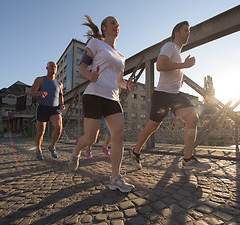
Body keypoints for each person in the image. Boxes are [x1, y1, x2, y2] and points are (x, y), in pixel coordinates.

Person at [130, 21, 210, 171]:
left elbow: (170, 69)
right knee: (153, 126)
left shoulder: (178, 52)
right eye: (186, 30)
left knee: (193, 117)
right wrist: (184, 66)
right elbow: (160, 65)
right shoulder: (169, 46)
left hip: (174, 95)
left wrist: (179, 78)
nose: (188, 33)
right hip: (162, 95)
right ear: (177, 32)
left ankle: (187, 160)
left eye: (189, 31)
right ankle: (135, 152)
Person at [68, 15, 135, 193]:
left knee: (118, 136)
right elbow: (81, 66)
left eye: (118, 24)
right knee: (91, 138)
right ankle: (76, 151)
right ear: (104, 27)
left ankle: (115, 178)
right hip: (95, 95)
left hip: (113, 98)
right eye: (113, 23)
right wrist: (89, 76)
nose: (116, 26)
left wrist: (127, 85)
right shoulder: (95, 43)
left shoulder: (121, 56)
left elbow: (119, 80)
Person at [29, 61, 65, 160]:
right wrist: (39, 93)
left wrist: (62, 104)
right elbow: (31, 92)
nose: (53, 68)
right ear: (47, 68)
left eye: (55, 66)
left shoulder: (59, 83)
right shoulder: (40, 80)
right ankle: (38, 150)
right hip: (42, 107)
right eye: (51, 66)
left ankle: (52, 147)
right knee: (41, 131)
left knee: (58, 128)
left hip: (55, 108)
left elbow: (61, 95)